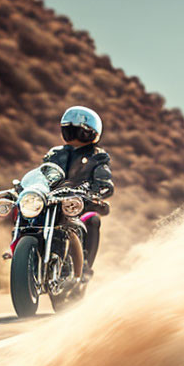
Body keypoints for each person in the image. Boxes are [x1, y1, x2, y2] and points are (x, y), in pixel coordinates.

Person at [42, 105, 114, 278]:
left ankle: (85, 268)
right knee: (28, 211)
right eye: (71, 128)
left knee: (93, 220)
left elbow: (104, 179)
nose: (75, 132)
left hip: (80, 204)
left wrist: (97, 191)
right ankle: (24, 252)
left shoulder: (98, 155)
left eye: (80, 129)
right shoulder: (55, 153)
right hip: (53, 202)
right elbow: (42, 173)